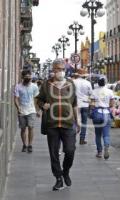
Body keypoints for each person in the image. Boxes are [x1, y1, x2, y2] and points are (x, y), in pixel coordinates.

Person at [36, 59, 79, 191]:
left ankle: (65, 171)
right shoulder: (46, 84)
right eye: (57, 69)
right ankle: (58, 178)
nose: (60, 71)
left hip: (68, 123)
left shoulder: (70, 84)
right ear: (53, 70)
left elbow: (75, 104)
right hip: (52, 124)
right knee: (54, 153)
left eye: (62, 69)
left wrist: (78, 122)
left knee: (70, 151)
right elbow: (39, 99)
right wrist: (43, 105)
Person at [14, 70, 40, 153]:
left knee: (31, 127)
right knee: (23, 129)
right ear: (23, 77)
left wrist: (37, 110)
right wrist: (18, 108)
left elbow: (36, 99)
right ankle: (24, 145)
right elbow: (16, 99)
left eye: (29, 76)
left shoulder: (34, 86)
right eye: (26, 77)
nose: (28, 78)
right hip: (22, 111)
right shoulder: (18, 87)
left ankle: (30, 145)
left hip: (31, 110)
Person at [91, 76, 114, 159]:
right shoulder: (110, 92)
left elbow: (92, 105)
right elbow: (111, 104)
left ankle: (99, 152)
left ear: (98, 83)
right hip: (106, 113)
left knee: (97, 134)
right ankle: (106, 146)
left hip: (97, 113)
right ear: (105, 83)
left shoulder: (94, 92)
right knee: (106, 134)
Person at [73, 68, 93, 145]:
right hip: (85, 104)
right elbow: (90, 94)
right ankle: (82, 139)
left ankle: (73, 138)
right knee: (84, 122)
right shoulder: (88, 83)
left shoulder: (73, 82)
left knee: (75, 122)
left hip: (76, 105)